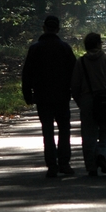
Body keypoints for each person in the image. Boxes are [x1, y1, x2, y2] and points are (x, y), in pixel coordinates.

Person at [21, 15, 76, 178]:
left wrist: (27, 94)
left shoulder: (35, 48)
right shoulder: (65, 48)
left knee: (48, 130)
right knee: (64, 129)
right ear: (58, 29)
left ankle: (52, 165)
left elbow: (27, 73)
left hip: (42, 96)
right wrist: (76, 92)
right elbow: (74, 72)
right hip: (62, 95)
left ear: (44, 28)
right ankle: (64, 163)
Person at [71, 32, 106, 176]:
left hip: (88, 100)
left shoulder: (80, 62)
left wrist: (80, 102)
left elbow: (75, 86)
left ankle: (91, 167)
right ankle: (102, 154)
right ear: (99, 44)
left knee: (88, 134)